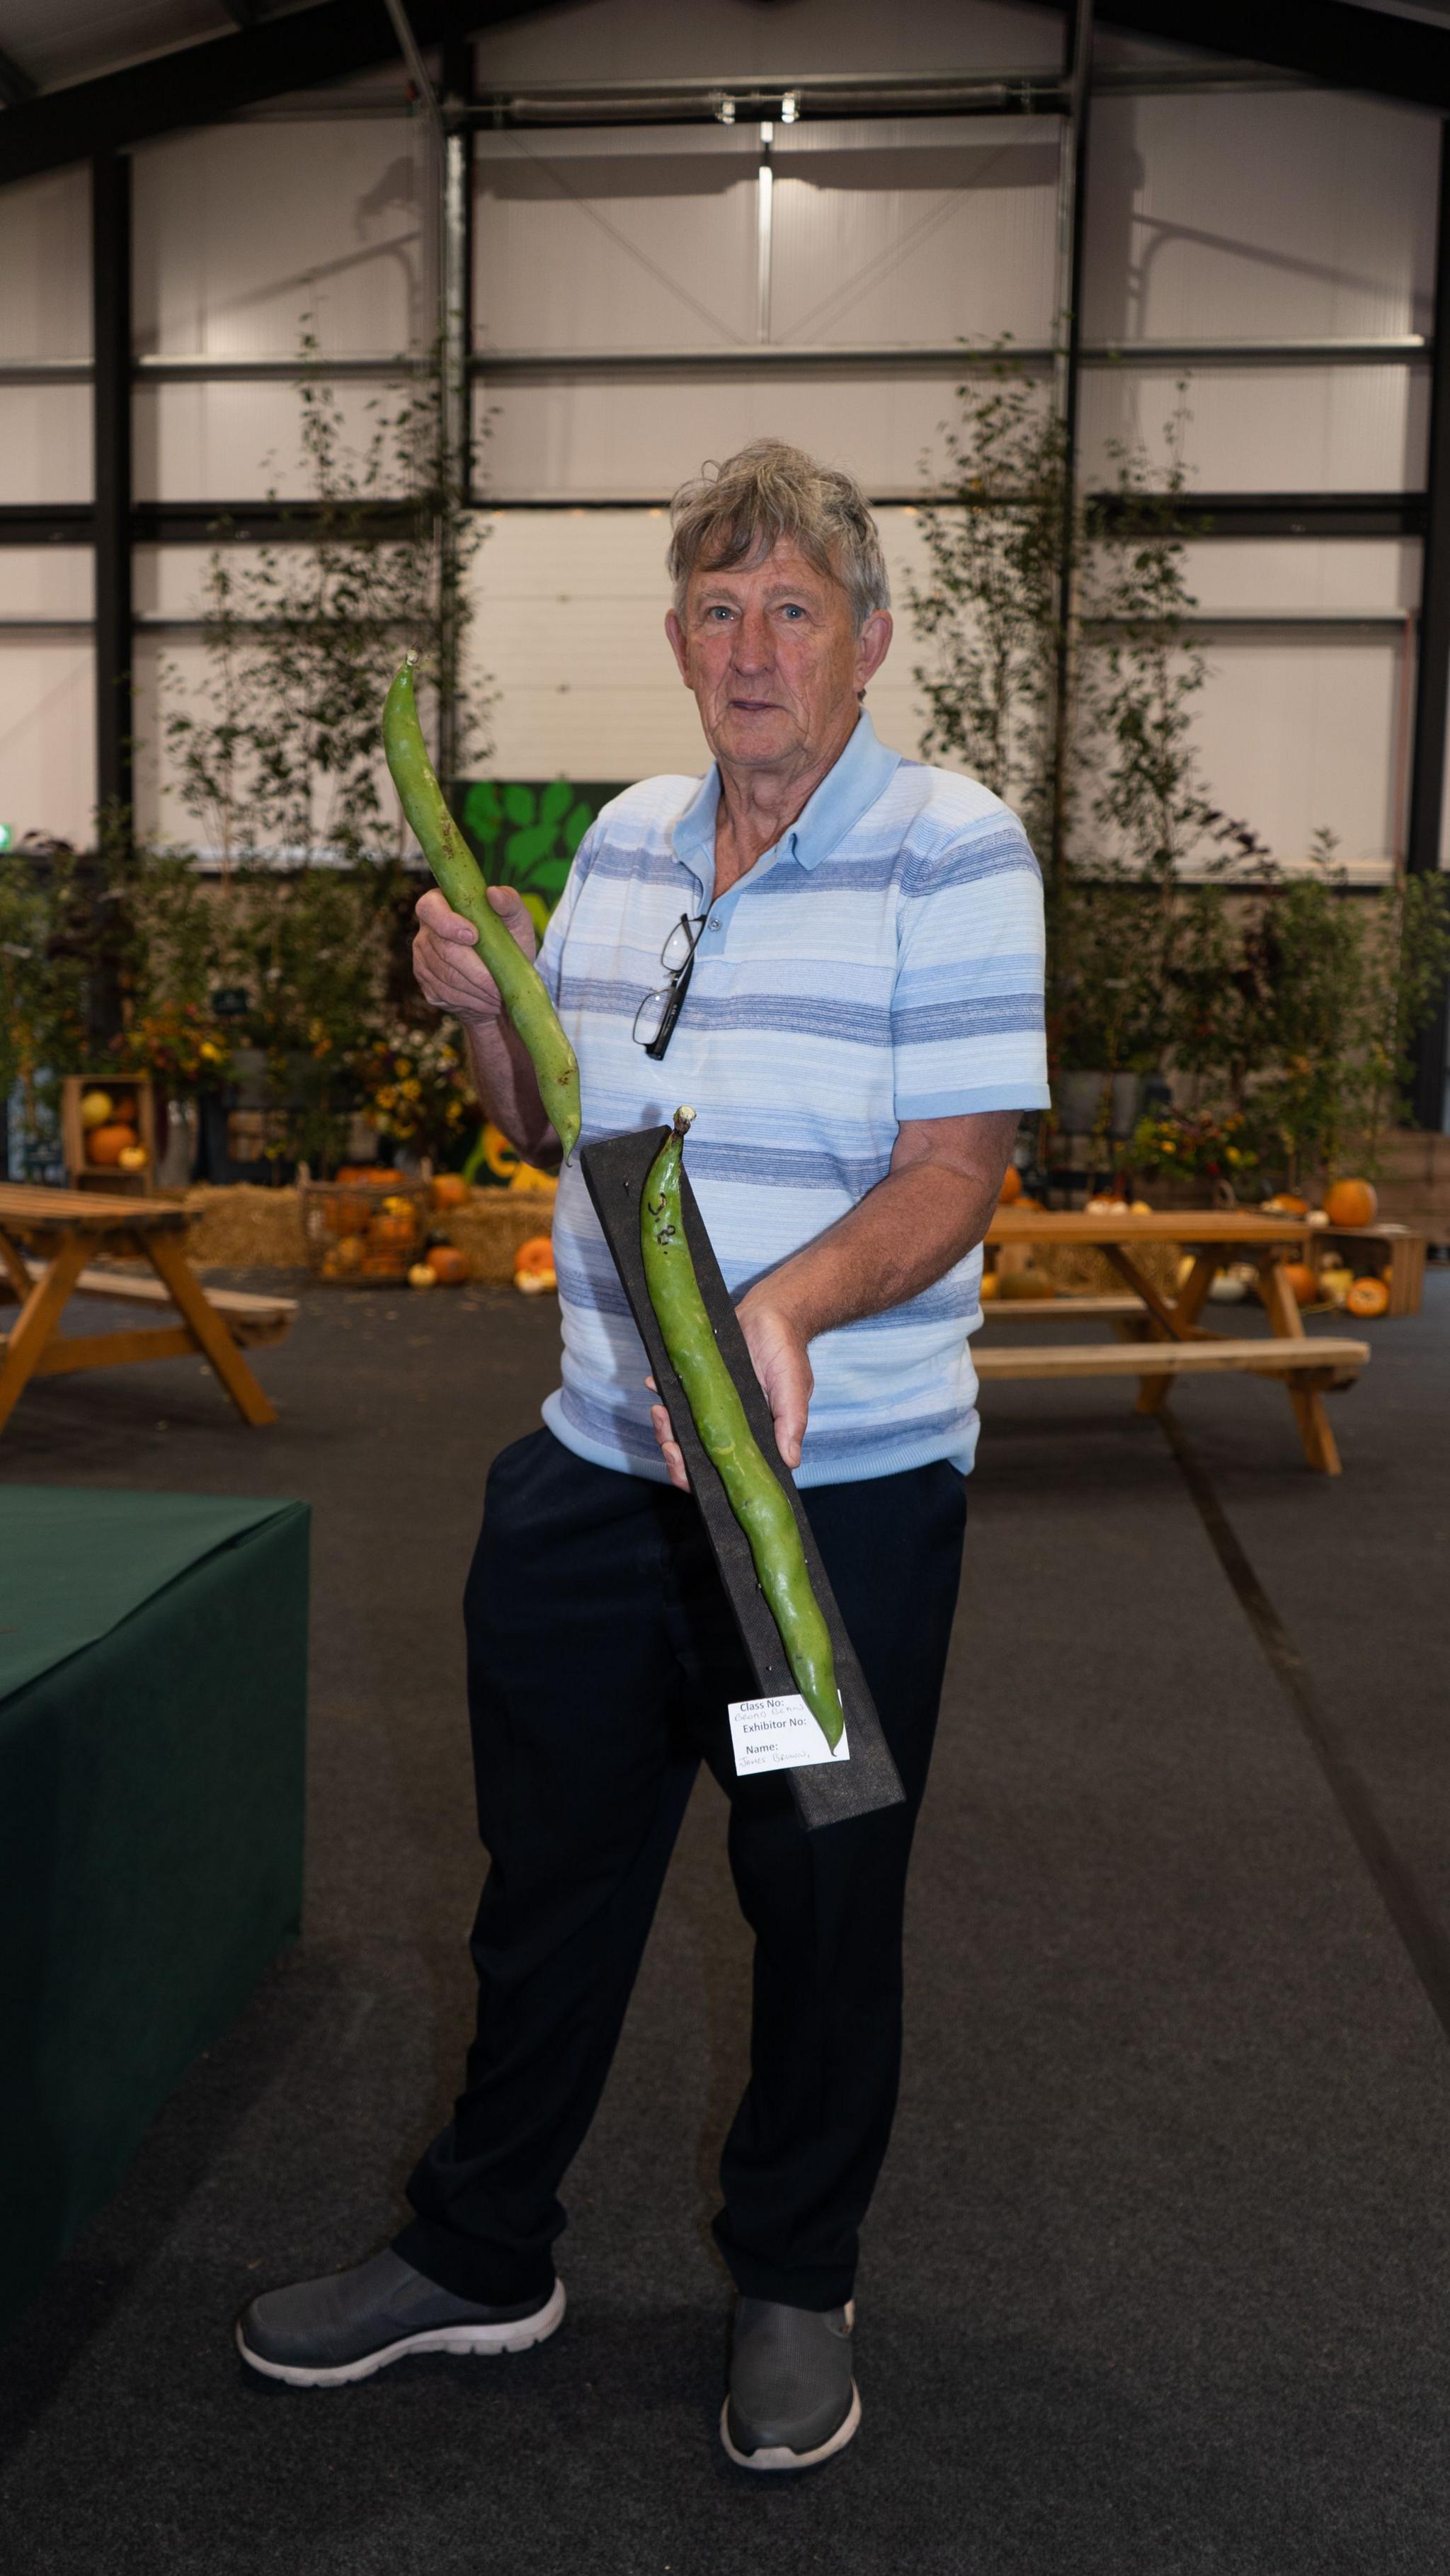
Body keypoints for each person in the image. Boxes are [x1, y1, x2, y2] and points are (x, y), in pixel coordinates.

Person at [236, 440, 1049, 2469]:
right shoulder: (626, 844)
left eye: (794, 608)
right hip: (598, 1482)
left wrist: (786, 1310)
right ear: (676, 641)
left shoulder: (956, 849)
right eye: (718, 608)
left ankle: (794, 2274)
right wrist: (477, 1002)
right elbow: (545, 1124)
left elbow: (958, 1169)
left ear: (868, 642)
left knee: (819, 1894)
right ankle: (483, 2249)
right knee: (555, 1886)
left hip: (815, 1516)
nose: (754, 647)